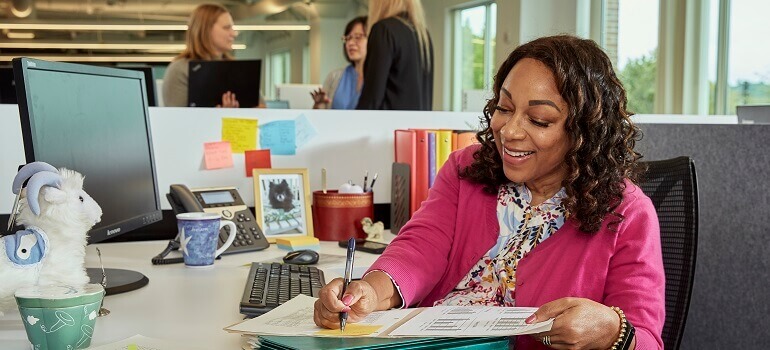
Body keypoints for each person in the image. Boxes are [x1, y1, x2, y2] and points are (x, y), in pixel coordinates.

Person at [314, 35, 665, 350]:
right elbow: (420, 247)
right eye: (505, 108)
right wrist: (371, 292)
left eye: (539, 120)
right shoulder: (466, 168)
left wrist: (613, 332)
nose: (509, 131)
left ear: (583, 132)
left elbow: (646, 337)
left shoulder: (628, 214)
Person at [356, 0, 433, 110]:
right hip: (416, 125)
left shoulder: (383, 30)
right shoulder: (423, 35)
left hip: (388, 125)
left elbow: (372, 99)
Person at [162, 3, 240, 108]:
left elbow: (261, 108)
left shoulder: (238, 68)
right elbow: (176, 118)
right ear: (205, 30)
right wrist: (218, 115)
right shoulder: (180, 70)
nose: (234, 34)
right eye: (226, 28)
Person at [310, 16, 367, 110]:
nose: (350, 43)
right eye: (347, 38)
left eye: (358, 37)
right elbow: (319, 118)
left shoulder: (380, 78)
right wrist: (319, 104)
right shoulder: (334, 77)